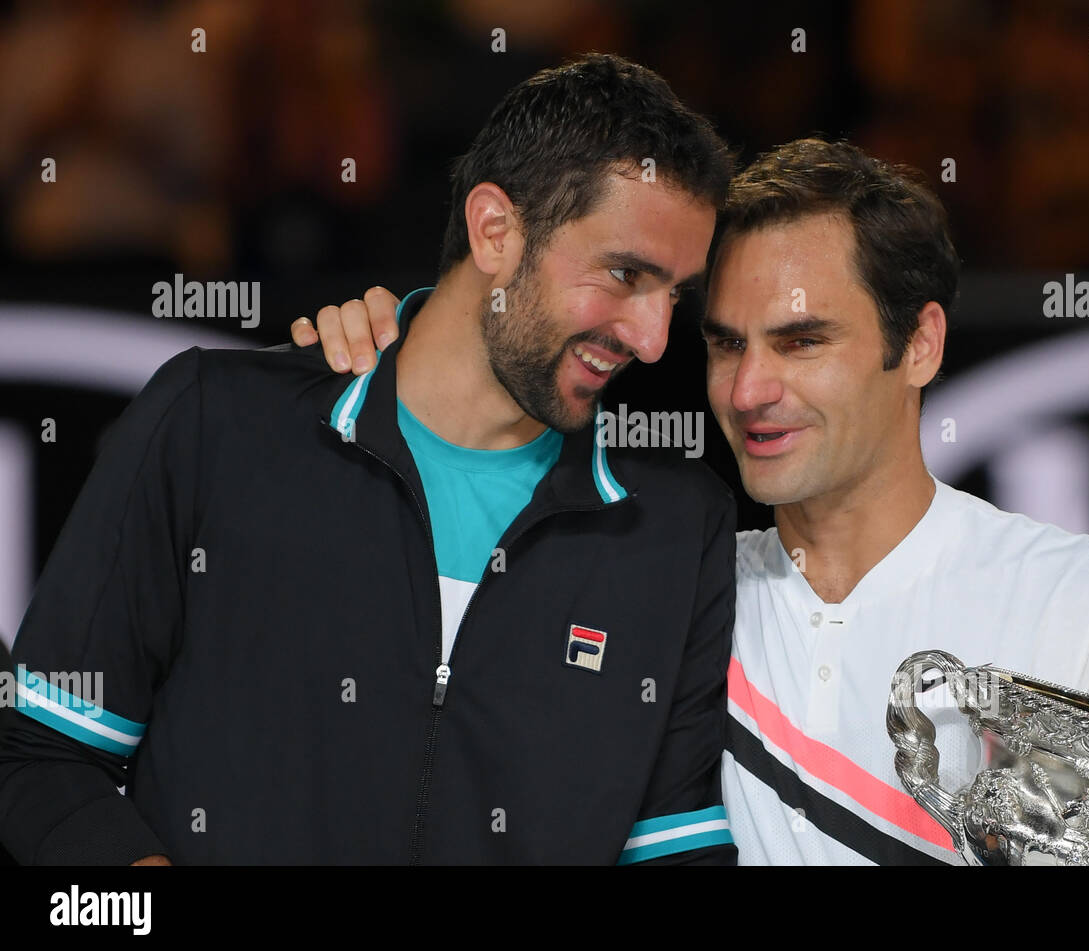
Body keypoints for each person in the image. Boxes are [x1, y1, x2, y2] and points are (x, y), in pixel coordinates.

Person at [300, 138, 1089, 865]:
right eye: (725, 344)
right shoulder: (666, 586)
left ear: (919, 345)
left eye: (800, 342)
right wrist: (402, 347)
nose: (748, 391)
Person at [0, 54, 739, 865]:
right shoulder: (215, 423)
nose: (653, 336)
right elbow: (41, 757)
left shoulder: (678, 524)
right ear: (495, 229)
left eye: (675, 293)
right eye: (625, 274)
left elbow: (673, 851)